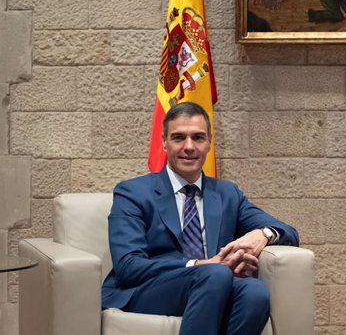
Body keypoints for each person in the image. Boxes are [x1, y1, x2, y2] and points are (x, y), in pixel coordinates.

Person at [101, 102, 299, 335]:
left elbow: (289, 232)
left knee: (255, 293)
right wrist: (202, 265)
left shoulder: (227, 194)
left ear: (209, 143)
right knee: (215, 274)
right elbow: (128, 266)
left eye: (198, 137)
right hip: (148, 290)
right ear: (163, 142)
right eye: (178, 138)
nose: (189, 146)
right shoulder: (133, 192)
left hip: (215, 285)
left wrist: (263, 234)